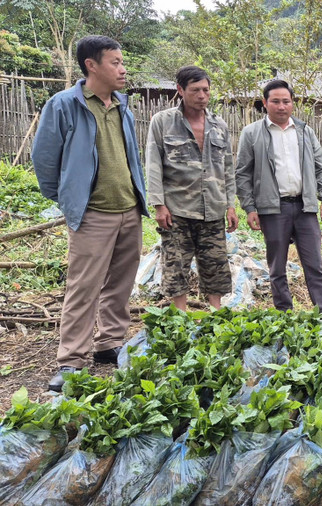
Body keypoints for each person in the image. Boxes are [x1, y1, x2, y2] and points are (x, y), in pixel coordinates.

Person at [31, 35, 148, 391]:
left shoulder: (122, 106)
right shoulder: (65, 104)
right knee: (84, 287)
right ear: (91, 65)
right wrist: (70, 200)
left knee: (120, 284)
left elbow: (131, 157)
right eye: (115, 62)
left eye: (122, 61)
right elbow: (44, 160)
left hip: (128, 208)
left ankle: (109, 343)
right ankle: (71, 360)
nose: (123, 68)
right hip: (93, 213)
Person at [235, 79, 322, 313]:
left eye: (286, 101)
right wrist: (249, 208)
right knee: (277, 267)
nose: (281, 106)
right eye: (276, 101)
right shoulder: (251, 133)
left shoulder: (304, 131)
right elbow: (242, 173)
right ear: (265, 103)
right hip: (272, 209)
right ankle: (284, 313)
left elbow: (320, 166)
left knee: (314, 264)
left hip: (304, 207)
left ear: (293, 103)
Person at [145, 66, 238, 311]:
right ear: (180, 90)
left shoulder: (219, 126)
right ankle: (180, 316)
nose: (202, 95)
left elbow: (228, 167)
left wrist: (231, 205)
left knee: (216, 265)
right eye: (195, 90)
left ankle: (217, 314)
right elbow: (153, 164)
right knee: (176, 266)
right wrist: (158, 204)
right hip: (177, 210)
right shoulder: (163, 122)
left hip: (213, 208)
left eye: (206, 90)